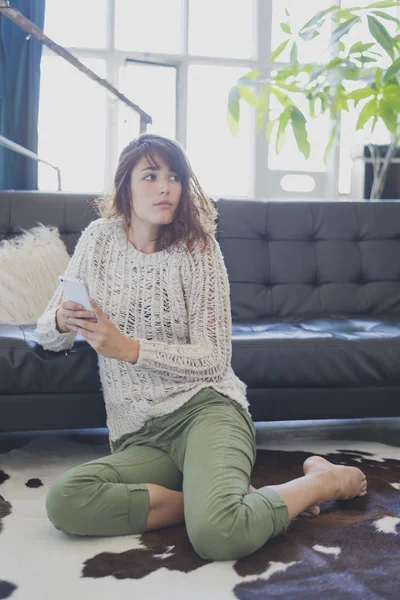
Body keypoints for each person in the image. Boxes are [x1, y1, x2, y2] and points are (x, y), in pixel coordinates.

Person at [35, 133, 367, 562]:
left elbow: (214, 359)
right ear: (125, 186)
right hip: (140, 435)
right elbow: (47, 331)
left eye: (174, 177)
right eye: (150, 176)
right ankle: (217, 503)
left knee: (218, 538)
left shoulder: (199, 249)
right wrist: (62, 319)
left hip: (205, 411)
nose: (165, 187)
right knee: (67, 501)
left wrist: (131, 348)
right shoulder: (98, 239)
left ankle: (323, 480)